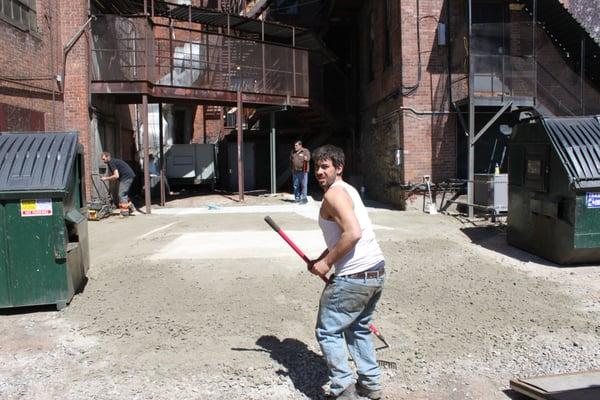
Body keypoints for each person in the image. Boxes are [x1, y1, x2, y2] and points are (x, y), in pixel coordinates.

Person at [308, 145, 385, 400]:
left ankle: (343, 389)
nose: (319, 171)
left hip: (354, 277)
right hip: (375, 272)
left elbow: (353, 234)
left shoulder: (333, 195)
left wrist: (327, 263)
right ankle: (371, 384)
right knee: (359, 328)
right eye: (316, 167)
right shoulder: (348, 190)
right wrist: (319, 259)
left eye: (325, 166)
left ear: (338, 168)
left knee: (328, 330)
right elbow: (341, 235)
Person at [101, 151, 136, 216]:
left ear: (108, 157)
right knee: (124, 193)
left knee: (121, 194)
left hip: (126, 177)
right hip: (128, 176)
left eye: (104, 159)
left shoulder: (111, 162)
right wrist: (110, 188)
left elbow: (116, 175)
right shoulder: (112, 162)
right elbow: (115, 177)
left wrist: (106, 178)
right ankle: (131, 208)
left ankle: (124, 213)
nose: (103, 161)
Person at [290, 139, 310, 204]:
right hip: (295, 172)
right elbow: (291, 160)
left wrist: (306, 158)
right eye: (294, 145)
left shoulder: (305, 151)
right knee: (296, 185)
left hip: (303, 171)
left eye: (296, 145)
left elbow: (309, 157)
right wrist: (292, 169)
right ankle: (297, 198)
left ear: (300, 145)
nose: (295, 147)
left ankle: (304, 199)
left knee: (304, 185)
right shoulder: (293, 152)